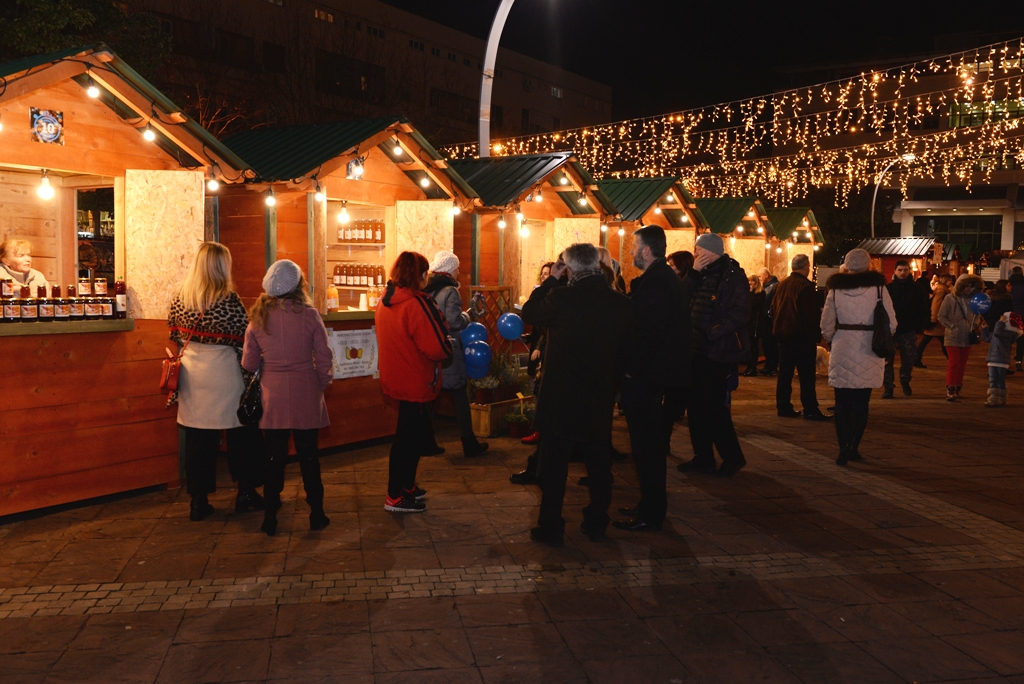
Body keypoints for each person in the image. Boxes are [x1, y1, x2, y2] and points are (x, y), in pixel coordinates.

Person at [521, 243, 631, 545]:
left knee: (553, 467)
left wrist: (550, 281)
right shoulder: (620, 303)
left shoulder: (561, 298)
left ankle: (551, 525)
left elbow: (529, 312)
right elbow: (627, 350)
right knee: (598, 464)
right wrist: (612, 382)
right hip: (598, 395)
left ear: (568, 269)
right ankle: (597, 521)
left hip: (561, 396)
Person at [168, 242, 264, 521]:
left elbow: (174, 334)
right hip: (224, 374)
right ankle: (245, 493)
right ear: (222, 266)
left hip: (192, 376)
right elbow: (245, 338)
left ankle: (198, 502)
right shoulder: (229, 300)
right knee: (241, 434)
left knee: (198, 439)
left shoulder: (180, 297)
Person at [243, 260, 332, 536]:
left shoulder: (258, 317)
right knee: (309, 457)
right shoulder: (310, 315)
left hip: (273, 396)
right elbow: (324, 357)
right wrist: (320, 384)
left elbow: (248, 363)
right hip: (306, 391)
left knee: (274, 458)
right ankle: (317, 514)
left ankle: (270, 517)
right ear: (298, 284)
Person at [614, 226, 691, 532]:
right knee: (646, 446)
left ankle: (652, 512)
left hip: (647, 377)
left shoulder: (657, 282)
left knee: (647, 447)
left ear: (647, 250)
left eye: (634, 246)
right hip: (652, 374)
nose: (631, 252)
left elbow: (649, 333)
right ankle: (648, 504)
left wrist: (632, 369)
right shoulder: (660, 278)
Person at [375, 252, 453, 513]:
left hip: (396, 377)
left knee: (411, 436)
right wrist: (448, 348)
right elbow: (436, 347)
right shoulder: (416, 303)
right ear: (420, 275)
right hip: (417, 379)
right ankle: (394, 495)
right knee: (407, 441)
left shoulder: (386, 300)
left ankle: (407, 485)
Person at [677, 232, 750, 477]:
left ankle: (732, 457)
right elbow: (679, 299)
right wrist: (693, 274)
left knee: (714, 407)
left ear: (711, 251)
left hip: (715, 351)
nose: (695, 253)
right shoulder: (699, 274)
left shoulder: (732, 275)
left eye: (699, 249)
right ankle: (703, 457)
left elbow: (740, 313)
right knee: (695, 406)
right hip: (694, 350)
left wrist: (712, 333)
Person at [820, 249, 896, 466]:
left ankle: (842, 447)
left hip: (843, 344)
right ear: (868, 264)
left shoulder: (835, 289)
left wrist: (832, 338)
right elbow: (892, 323)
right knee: (862, 402)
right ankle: (854, 447)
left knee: (841, 402)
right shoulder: (879, 288)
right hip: (869, 347)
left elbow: (826, 322)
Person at [423, 251, 489, 458]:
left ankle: (427, 442)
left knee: (429, 399)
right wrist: (467, 316)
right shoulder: (451, 291)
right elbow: (453, 321)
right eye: (457, 268)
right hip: (449, 350)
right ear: (450, 269)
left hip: (431, 350)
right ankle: (469, 442)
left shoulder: (426, 289)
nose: (459, 272)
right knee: (460, 396)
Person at [771, 254, 830, 420]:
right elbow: (810, 315)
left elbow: (773, 309)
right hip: (801, 336)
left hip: (783, 335)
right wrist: (815, 336)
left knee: (785, 373)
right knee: (806, 376)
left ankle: (783, 406)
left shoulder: (781, 284)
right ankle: (810, 409)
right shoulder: (806, 286)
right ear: (806, 267)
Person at [883, 260, 929, 398]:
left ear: (909, 271)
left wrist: (919, 326)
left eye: (905, 270)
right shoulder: (888, 289)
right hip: (890, 329)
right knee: (887, 360)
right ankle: (888, 387)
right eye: (900, 270)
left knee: (909, 358)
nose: (902, 273)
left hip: (908, 329)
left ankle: (905, 380)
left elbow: (923, 308)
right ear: (895, 271)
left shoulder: (916, 289)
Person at [938, 274, 985, 401]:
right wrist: (952, 326)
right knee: (954, 362)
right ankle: (950, 387)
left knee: (962, 363)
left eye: (971, 286)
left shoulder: (974, 300)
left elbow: (978, 315)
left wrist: (975, 325)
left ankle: (958, 386)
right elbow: (941, 316)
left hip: (967, 335)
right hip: (952, 336)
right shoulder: (950, 298)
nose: (968, 289)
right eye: (966, 286)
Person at [981, 312, 1023, 407]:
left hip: (1001, 361)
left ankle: (1002, 397)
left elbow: (997, 333)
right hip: (992, 359)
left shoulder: (1009, 334)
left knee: (1000, 380)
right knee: (992, 379)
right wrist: (984, 329)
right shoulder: (1000, 332)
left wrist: (1000, 322)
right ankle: (992, 398)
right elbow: (988, 338)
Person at [916, 273, 953, 366]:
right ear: (945, 281)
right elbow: (936, 305)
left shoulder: (941, 289)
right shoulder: (942, 291)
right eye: (949, 280)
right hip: (937, 321)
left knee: (926, 340)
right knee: (943, 342)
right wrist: (933, 319)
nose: (951, 281)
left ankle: (916, 359)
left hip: (937, 321)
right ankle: (952, 361)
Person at [758, 267, 779, 376]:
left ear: (766, 276)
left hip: (769, 320)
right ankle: (769, 365)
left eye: (760, 276)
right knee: (767, 344)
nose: (759, 279)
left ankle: (772, 366)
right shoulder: (768, 287)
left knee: (771, 344)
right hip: (767, 319)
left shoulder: (773, 287)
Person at [743, 275, 765, 376]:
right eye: (749, 281)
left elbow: (754, 304)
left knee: (754, 346)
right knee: (749, 346)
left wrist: (751, 292)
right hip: (748, 323)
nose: (750, 283)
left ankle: (753, 368)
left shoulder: (761, 293)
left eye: (752, 281)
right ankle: (749, 367)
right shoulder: (748, 293)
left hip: (755, 324)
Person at [1009, 267, 1024, 371]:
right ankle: (1019, 360)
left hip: (1010, 315)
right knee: (1022, 338)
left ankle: (1005, 362)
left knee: (1007, 338)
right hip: (1022, 314)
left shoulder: (1008, 284)